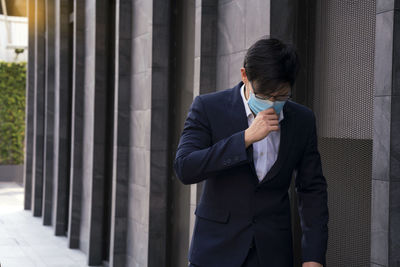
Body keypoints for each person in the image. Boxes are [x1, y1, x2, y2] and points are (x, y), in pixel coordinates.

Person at [173, 37, 329, 267]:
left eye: (282, 96)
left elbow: (312, 189)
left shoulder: (302, 120)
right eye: (265, 95)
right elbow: (185, 167)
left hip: (272, 253)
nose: (272, 103)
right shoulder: (207, 107)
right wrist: (245, 138)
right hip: (216, 251)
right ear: (244, 75)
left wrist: (314, 257)